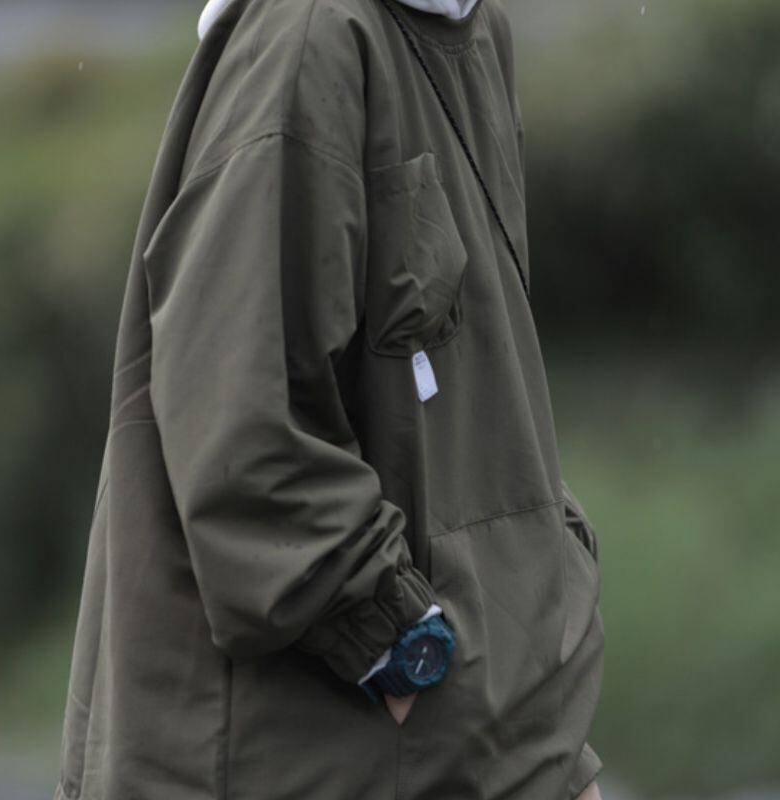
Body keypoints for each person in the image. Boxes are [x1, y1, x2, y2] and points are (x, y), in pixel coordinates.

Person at [53, 0, 605, 798]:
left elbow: (487, 424)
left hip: (485, 746)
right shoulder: (309, 36)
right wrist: (396, 648)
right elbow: (241, 429)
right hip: (320, 756)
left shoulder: (472, 28)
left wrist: (550, 744)